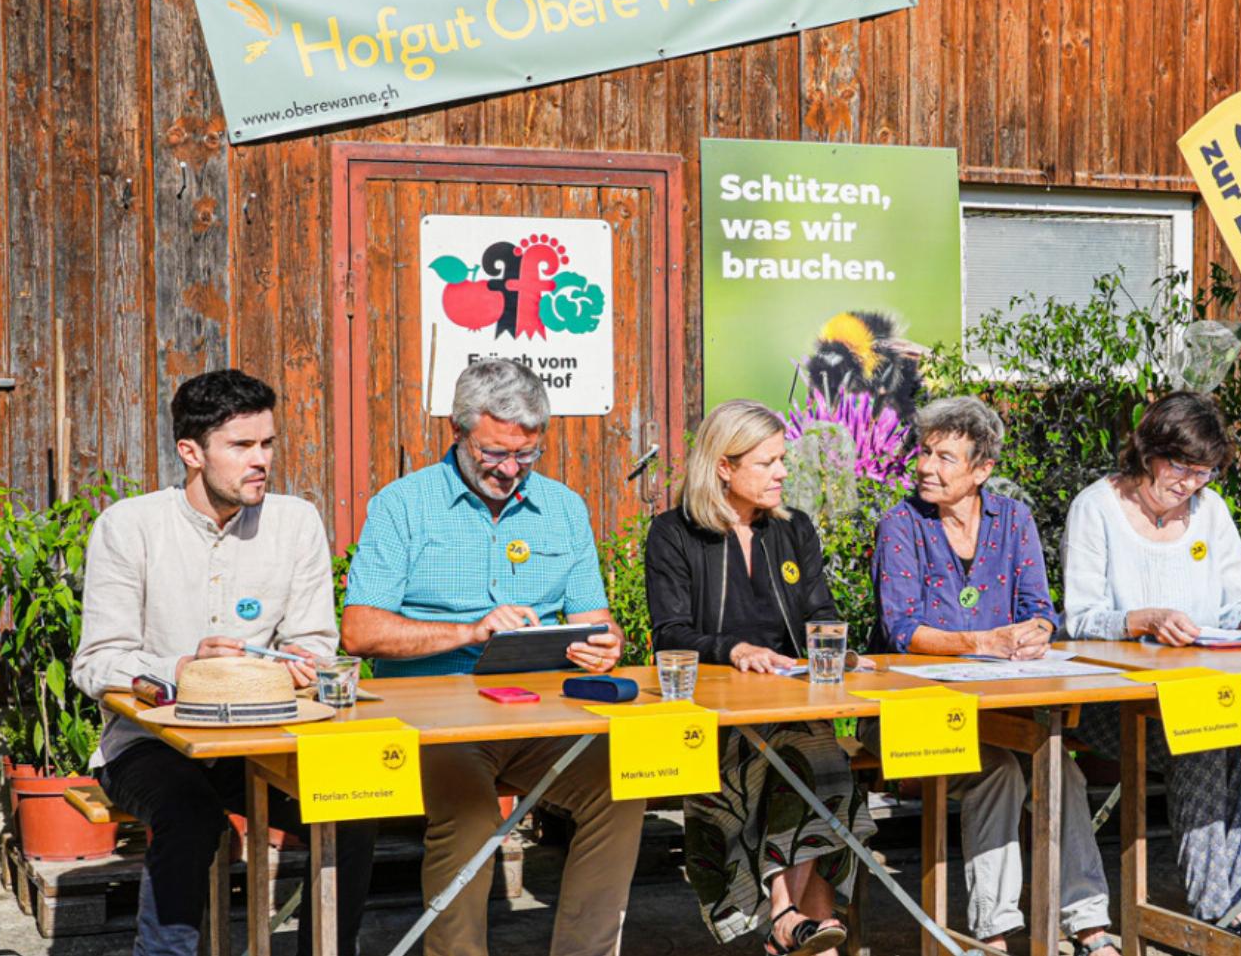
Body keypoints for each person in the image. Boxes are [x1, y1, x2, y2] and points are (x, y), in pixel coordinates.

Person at [341, 358, 642, 956]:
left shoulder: (563, 507)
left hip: (543, 715)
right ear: (458, 432)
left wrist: (608, 643)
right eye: (495, 454)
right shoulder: (403, 504)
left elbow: (596, 618)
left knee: (623, 787)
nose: (511, 470)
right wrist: (469, 631)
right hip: (435, 724)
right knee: (473, 816)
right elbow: (360, 630)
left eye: (526, 456)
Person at [72, 369, 376, 956]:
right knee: (191, 815)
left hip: (266, 738)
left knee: (354, 804)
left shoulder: (296, 522)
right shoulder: (130, 527)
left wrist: (299, 663)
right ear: (191, 452)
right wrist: (183, 667)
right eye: (241, 446)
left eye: (267, 444)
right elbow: (95, 663)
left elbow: (314, 640)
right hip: (148, 743)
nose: (260, 460)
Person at [870, 397, 1121, 956]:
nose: (927, 467)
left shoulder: (1014, 519)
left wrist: (1033, 633)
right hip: (917, 712)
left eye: (945, 457)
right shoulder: (901, 524)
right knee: (1001, 771)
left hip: (1001, 708)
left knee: (1062, 771)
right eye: (925, 452)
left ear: (982, 470)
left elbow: (1041, 609)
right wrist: (984, 642)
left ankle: (1089, 923)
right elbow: (901, 630)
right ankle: (996, 932)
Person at [646, 399, 877, 956]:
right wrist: (734, 650)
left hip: (793, 700)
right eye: (767, 462)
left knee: (813, 754)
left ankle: (788, 921)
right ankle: (792, 921)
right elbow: (669, 634)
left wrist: (838, 647)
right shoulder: (674, 534)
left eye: (783, 461)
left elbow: (819, 609)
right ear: (724, 466)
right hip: (716, 715)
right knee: (814, 761)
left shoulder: (793, 529)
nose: (781, 473)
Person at [1063, 390, 1241, 931]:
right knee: (1210, 739)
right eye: (1180, 468)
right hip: (1113, 700)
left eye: (1203, 472)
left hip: (1200, 689)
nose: (1190, 484)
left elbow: (1236, 599)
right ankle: (1221, 919)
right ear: (1147, 451)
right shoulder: (1097, 508)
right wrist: (1140, 619)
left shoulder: (1210, 511)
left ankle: (1235, 909)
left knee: (1240, 738)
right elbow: (1079, 617)